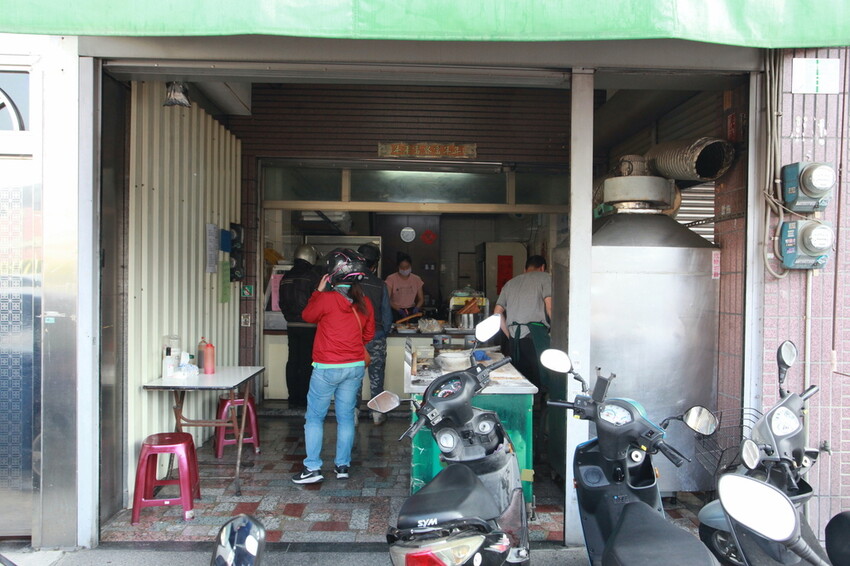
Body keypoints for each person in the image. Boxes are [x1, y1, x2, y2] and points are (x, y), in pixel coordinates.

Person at [292, 248, 374, 484]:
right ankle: (342, 466)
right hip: (355, 366)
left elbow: (307, 316)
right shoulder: (364, 301)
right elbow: (368, 334)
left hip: (327, 367)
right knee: (345, 418)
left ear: (332, 275)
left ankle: (312, 468)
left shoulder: (326, 300)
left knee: (315, 418)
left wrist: (318, 291)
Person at [493, 255, 552, 387]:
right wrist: (556, 333)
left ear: (525, 269)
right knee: (541, 378)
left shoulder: (510, 283)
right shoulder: (545, 278)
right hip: (535, 336)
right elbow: (550, 305)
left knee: (520, 379)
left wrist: (509, 335)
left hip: (515, 339)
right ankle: (540, 399)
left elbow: (497, 313)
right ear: (542, 267)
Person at [278, 244, 322, 408]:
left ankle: (293, 397)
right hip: (309, 326)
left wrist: (289, 317)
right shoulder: (313, 276)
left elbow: (281, 302)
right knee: (306, 362)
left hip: (291, 325)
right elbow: (319, 300)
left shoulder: (286, 276)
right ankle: (304, 398)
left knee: (292, 361)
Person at [357, 243, 394, 425]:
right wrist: (383, 333)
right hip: (376, 336)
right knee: (377, 377)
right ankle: (377, 414)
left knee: (354, 378)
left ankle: (353, 414)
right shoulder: (380, 285)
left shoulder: (350, 283)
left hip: (355, 338)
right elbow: (387, 315)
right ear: (375, 264)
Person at [385, 253, 424, 321]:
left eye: (407, 267)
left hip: (412, 311)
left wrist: (417, 308)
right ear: (398, 267)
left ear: (410, 266)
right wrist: (398, 310)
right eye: (402, 267)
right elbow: (387, 299)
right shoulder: (391, 279)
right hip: (396, 311)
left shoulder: (417, 279)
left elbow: (421, 299)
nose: (405, 269)